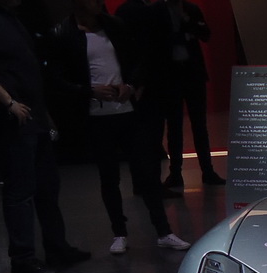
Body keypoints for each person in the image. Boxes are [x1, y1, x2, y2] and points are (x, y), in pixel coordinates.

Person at [0, 0, 91, 273]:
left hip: (31, 118)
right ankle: (23, 258)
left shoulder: (7, 16)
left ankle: (56, 248)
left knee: (46, 187)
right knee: (21, 190)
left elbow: (25, 69)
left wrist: (43, 114)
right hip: (13, 120)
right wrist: (7, 101)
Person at [49, 0, 190, 255]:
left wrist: (132, 85)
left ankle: (164, 231)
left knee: (147, 172)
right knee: (109, 176)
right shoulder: (65, 34)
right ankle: (119, 233)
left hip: (127, 111)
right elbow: (57, 79)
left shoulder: (115, 26)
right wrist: (89, 91)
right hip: (96, 116)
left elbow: (139, 59)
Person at [153, 0, 224, 188]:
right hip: (170, 75)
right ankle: (176, 172)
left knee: (198, 124)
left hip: (193, 74)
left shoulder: (191, 9)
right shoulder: (157, 10)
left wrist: (188, 22)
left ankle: (206, 170)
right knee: (174, 125)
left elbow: (205, 34)